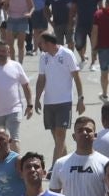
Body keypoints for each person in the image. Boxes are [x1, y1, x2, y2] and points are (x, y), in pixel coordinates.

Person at [32, 30, 85, 160]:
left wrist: (80, 98)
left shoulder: (67, 54)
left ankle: (54, 168)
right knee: (58, 140)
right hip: (49, 103)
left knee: (60, 138)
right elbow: (41, 79)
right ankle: (65, 165)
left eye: (41, 43)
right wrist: (37, 98)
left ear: (48, 43)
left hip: (64, 102)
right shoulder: (43, 57)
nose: (39, 46)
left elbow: (77, 77)